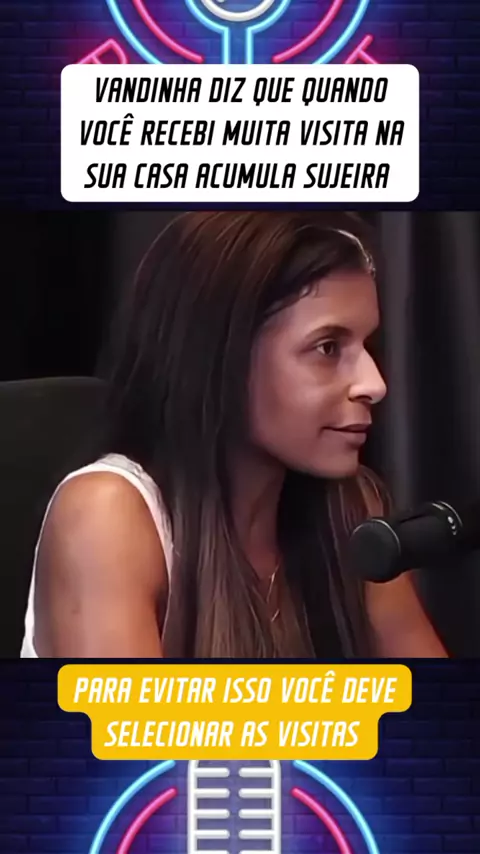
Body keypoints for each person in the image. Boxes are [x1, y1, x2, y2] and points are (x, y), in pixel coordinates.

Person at [20, 211, 447, 659]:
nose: (374, 384)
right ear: (221, 356)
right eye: (327, 348)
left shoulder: (351, 508)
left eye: (367, 346)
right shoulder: (106, 516)